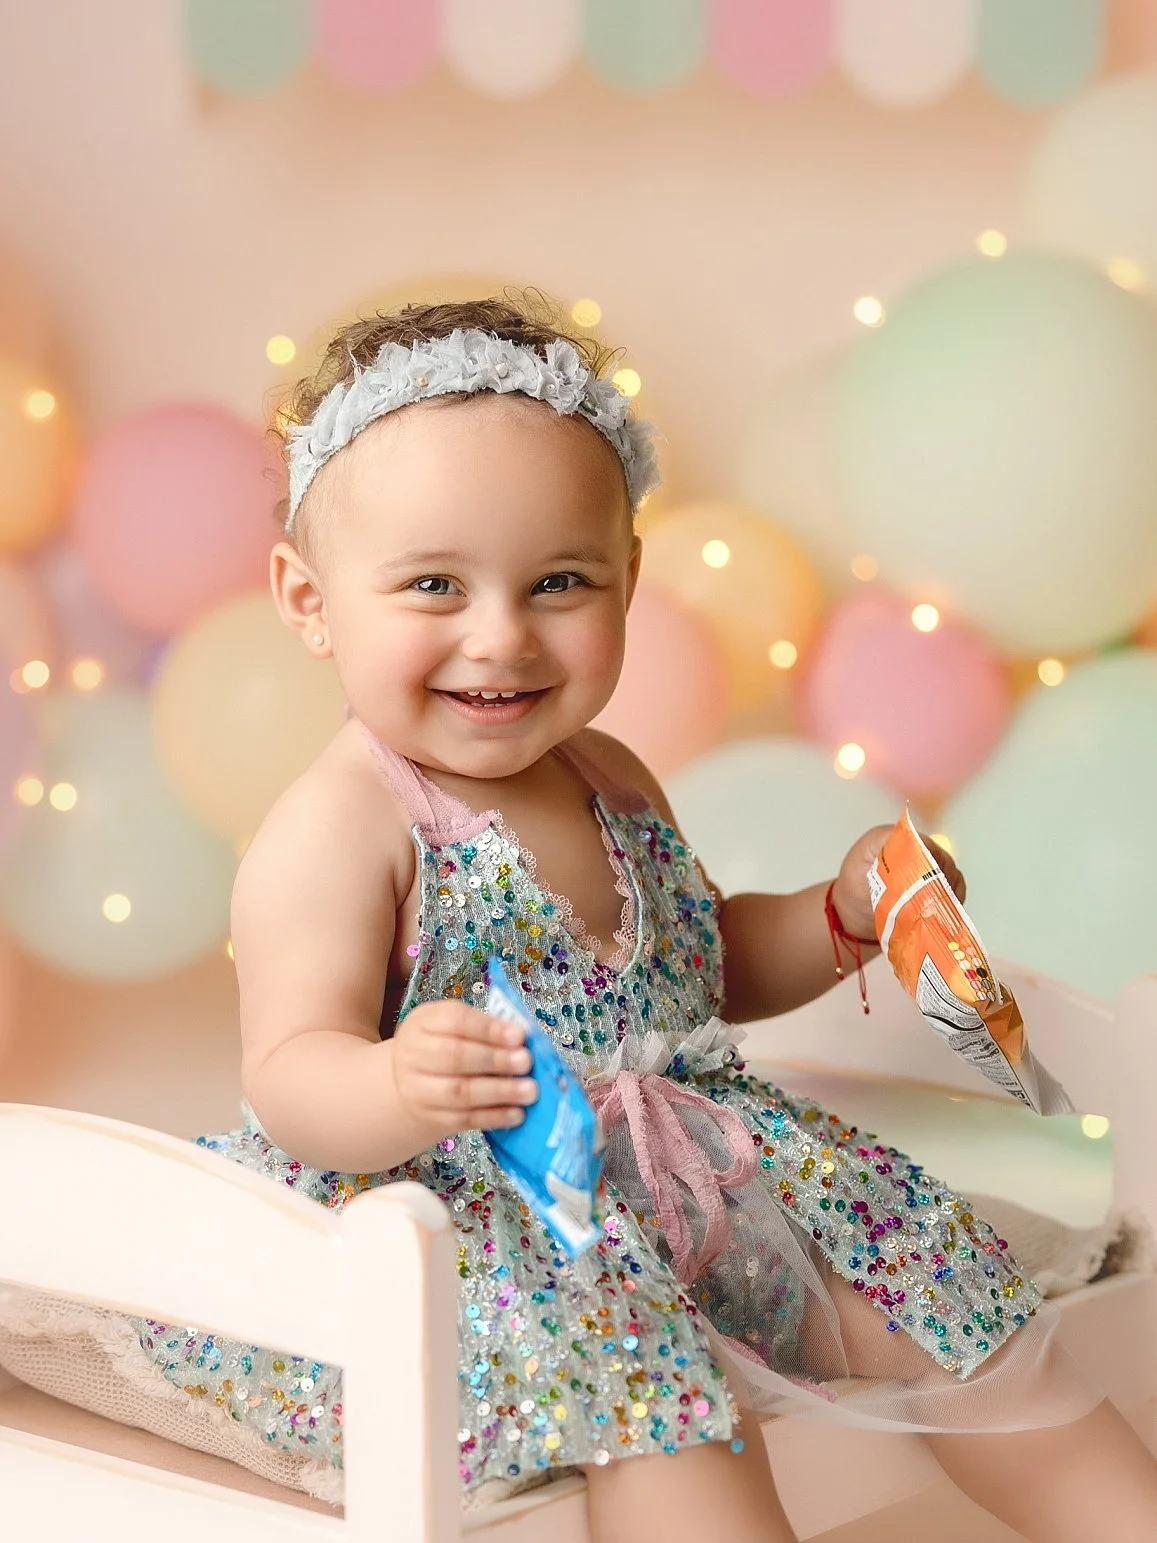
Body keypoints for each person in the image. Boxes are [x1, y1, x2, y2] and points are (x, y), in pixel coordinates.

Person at [72, 297, 1157, 1538]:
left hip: (700, 1174)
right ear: (310, 601)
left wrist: (840, 914)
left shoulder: (610, 772)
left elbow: (700, 971)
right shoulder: (342, 827)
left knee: (941, 1296)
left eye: (557, 582)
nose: (500, 634)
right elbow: (289, 1077)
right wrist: (398, 1080)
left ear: (628, 580)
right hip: (497, 1221)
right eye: (433, 583)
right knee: (655, 1397)